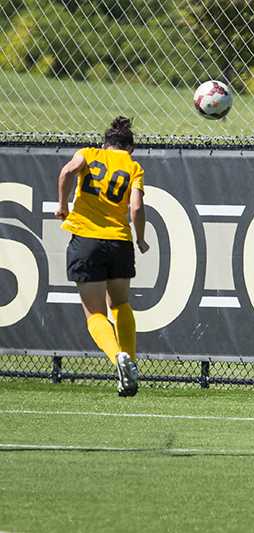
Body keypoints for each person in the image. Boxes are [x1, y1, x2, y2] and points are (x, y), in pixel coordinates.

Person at [55, 116, 149, 397]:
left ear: (105, 144)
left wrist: (62, 206)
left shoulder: (89, 153)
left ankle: (117, 358)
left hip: (86, 241)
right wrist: (141, 238)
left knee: (95, 314)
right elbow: (135, 208)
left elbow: (66, 173)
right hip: (119, 242)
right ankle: (130, 361)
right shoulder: (134, 167)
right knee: (120, 303)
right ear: (129, 149)